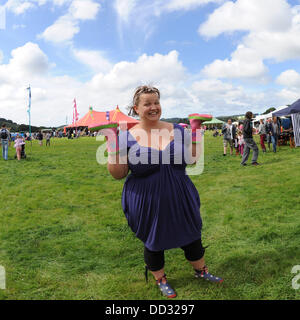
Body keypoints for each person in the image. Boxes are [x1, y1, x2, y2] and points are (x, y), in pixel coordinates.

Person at [100, 85, 223, 299]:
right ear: (136, 108)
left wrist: (194, 130)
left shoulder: (177, 130)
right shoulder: (126, 136)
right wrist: (112, 143)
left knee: (192, 233)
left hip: (180, 194)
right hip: (146, 199)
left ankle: (201, 271)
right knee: (153, 238)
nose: (154, 107)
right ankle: (161, 278)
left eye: (156, 102)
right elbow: (118, 174)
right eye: (147, 104)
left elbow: (192, 159)